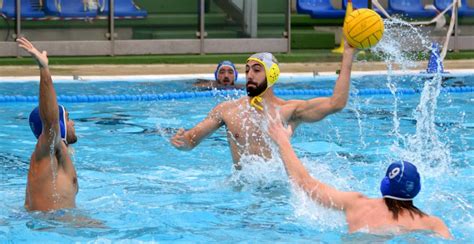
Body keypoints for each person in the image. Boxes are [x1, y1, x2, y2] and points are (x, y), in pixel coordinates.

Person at [171, 42, 355, 168]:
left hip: (276, 189)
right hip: (241, 190)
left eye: (257, 70)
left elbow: (336, 103)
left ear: (272, 74)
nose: (250, 74)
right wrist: (183, 142)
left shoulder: (288, 110)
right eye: (247, 70)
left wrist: (347, 55)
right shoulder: (227, 110)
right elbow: (192, 141)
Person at [266, 115, 452, 239]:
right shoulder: (432, 224)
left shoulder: (356, 204)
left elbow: (304, 183)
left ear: (385, 184)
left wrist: (283, 140)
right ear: (417, 189)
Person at [18, 37, 79, 211]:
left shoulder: (59, 154)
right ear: (58, 123)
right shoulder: (48, 149)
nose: (72, 122)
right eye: (67, 118)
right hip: (45, 228)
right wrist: (44, 69)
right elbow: (50, 120)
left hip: (56, 225)